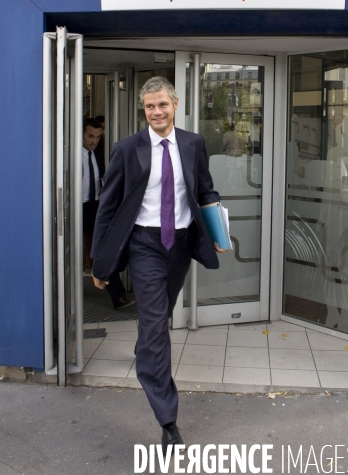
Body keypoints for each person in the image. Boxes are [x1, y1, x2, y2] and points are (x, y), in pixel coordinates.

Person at [91, 77, 227, 454]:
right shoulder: (126, 149)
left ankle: (146, 350)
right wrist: (100, 263)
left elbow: (205, 189)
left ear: (175, 104)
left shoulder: (193, 143)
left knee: (159, 316)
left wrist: (218, 232)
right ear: (144, 109)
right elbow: (108, 208)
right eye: (149, 106)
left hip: (180, 244)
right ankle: (168, 420)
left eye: (162, 105)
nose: (156, 112)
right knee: (154, 324)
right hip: (144, 244)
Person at [82, 117, 131, 309]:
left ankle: (117, 297)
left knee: (105, 249)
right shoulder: (70, 155)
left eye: (97, 137)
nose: (93, 141)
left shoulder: (99, 154)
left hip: (96, 207)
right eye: (89, 136)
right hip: (76, 207)